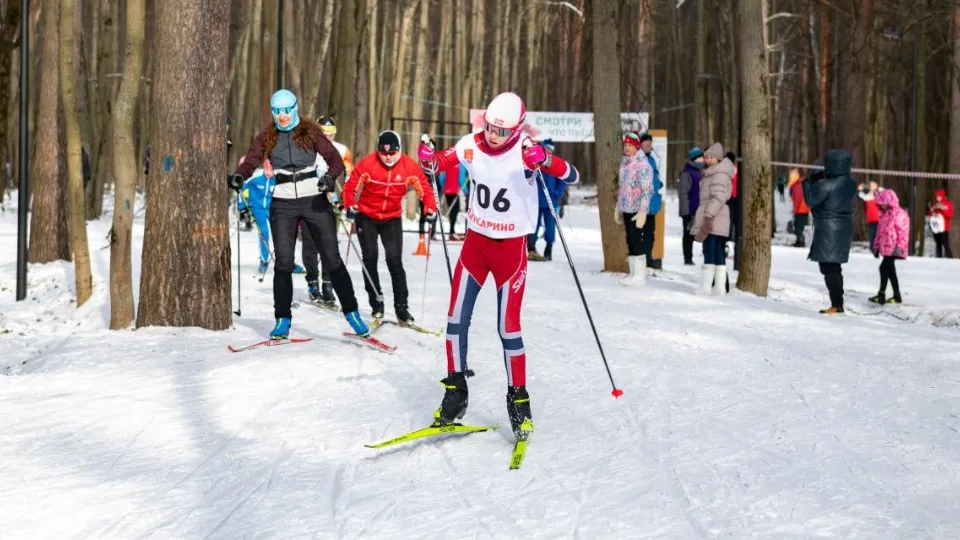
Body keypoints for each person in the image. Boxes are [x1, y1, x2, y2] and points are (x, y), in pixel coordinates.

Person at [416, 91, 580, 441]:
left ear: (518, 129)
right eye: (490, 127)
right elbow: (435, 166)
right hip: (475, 246)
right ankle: (455, 390)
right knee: (454, 321)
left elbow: (572, 176)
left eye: (502, 131)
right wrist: (427, 158)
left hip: (510, 251)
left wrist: (546, 160)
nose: (493, 135)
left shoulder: (526, 151)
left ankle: (518, 399)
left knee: (508, 328)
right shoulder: (471, 143)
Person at [228, 89, 370, 339]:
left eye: (286, 111)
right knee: (283, 262)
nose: (282, 116)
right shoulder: (267, 136)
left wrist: (328, 178)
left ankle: (352, 312)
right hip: (282, 202)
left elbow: (335, 160)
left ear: (295, 108)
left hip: (314, 199)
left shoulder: (310, 131)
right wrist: (241, 175)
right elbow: (251, 160)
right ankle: (282, 318)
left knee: (332, 257)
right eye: (277, 111)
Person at [342, 130, 438, 322]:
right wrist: (349, 204)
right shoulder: (368, 163)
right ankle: (377, 303)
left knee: (394, 261)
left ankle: (402, 307)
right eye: (383, 153)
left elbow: (425, 190)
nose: (387, 157)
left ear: (399, 150)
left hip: (391, 218)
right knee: (369, 258)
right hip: (366, 216)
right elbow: (350, 186)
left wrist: (430, 208)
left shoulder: (409, 167)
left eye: (392, 153)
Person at [302, 115, 355, 307]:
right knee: (310, 245)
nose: (328, 138)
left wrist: (344, 199)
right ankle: (312, 284)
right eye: (324, 134)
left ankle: (327, 284)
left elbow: (351, 175)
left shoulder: (342, 150)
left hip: (330, 201)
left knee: (328, 244)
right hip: (307, 200)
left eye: (331, 134)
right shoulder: (306, 146)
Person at [803, 150, 858, 314]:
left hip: (829, 229)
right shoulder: (851, 183)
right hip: (844, 227)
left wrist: (809, 181)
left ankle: (837, 304)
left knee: (829, 268)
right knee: (834, 266)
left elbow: (810, 200)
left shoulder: (825, 185)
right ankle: (837, 302)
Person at [691, 143, 734, 296]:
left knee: (709, 250)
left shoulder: (719, 174)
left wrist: (708, 215)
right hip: (717, 217)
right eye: (706, 157)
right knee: (716, 251)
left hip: (714, 217)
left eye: (711, 157)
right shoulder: (713, 172)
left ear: (719, 158)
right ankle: (719, 287)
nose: (708, 160)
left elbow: (718, 197)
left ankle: (706, 286)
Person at [615, 132, 655, 285]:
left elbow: (647, 189)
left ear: (636, 147)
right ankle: (633, 273)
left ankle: (639, 276)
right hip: (626, 207)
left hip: (637, 209)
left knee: (637, 239)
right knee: (630, 240)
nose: (627, 148)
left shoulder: (643, 164)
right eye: (625, 145)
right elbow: (622, 188)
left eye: (630, 145)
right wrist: (618, 207)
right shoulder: (624, 163)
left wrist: (643, 211)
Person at [527, 138, 567, 262]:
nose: (546, 152)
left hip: (551, 201)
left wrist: (558, 192)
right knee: (534, 225)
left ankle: (548, 249)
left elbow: (563, 179)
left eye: (549, 150)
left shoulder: (554, 163)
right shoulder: (535, 163)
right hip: (536, 201)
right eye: (545, 149)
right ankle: (531, 248)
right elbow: (528, 178)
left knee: (550, 226)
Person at [869, 189, 909, 305]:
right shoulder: (883, 215)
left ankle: (881, 294)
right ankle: (897, 295)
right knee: (890, 271)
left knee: (883, 268)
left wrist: (900, 247)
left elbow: (903, 232)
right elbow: (879, 232)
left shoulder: (900, 215)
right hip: (886, 248)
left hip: (895, 248)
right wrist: (876, 247)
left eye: (884, 203)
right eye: (880, 203)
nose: (882, 205)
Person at [638, 132, 664, 270]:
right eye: (645, 141)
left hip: (651, 203)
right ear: (640, 144)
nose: (648, 144)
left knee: (649, 232)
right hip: (641, 202)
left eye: (650, 141)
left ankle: (648, 257)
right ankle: (640, 258)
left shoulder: (652, 159)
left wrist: (658, 183)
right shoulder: (637, 159)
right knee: (639, 232)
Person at [677, 147, 704, 265]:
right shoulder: (686, 173)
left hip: (700, 209)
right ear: (694, 159)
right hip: (690, 210)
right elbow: (683, 193)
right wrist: (685, 213)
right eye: (700, 158)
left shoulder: (701, 172)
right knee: (688, 235)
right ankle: (688, 258)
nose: (702, 160)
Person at [928, 188, 954, 258]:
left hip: (944, 228)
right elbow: (930, 215)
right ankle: (938, 258)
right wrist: (932, 212)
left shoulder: (948, 204)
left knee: (945, 245)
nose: (937, 198)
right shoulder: (935, 204)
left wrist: (943, 209)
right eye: (936, 196)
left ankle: (950, 258)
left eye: (939, 196)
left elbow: (949, 215)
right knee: (938, 244)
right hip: (936, 227)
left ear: (942, 196)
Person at [857, 180, 880, 257]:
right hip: (872, 220)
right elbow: (861, 196)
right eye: (871, 185)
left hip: (881, 219)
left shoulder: (880, 192)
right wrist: (860, 189)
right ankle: (874, 250)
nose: (872, 186)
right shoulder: (868, 194)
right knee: (872, 236)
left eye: (874, 184)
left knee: (880, 236)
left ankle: (879, 250)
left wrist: (861, 189)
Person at [788, 168, 810, 247]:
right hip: (804, 209)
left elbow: (798, 198)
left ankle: (800, 242)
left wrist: (795, 209)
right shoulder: (800, 184)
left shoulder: (797, 185)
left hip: (801, 209)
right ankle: (799, 241)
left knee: (799, 226)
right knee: (799, 226)